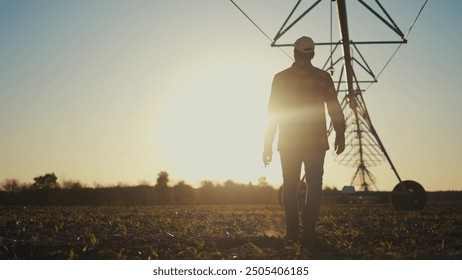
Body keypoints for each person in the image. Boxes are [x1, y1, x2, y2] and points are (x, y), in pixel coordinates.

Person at [263, 36, 346, 247]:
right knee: (314, 186)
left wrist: (267, 143)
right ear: (313, 55)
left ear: (294, 53)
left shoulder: (280, 78)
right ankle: (309, 232)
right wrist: (340, 132)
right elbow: (334, 107)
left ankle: (292, 232)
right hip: (316, 142)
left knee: (290, 186)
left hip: (289, 141)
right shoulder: (323, 77)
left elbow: (272, 112)